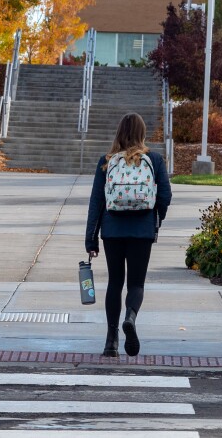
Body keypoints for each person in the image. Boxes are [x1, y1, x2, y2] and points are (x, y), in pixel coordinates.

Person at [85, 113, 172, 357]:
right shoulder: (153, 159)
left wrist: (90, 238)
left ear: (119, 133)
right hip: (141, 230)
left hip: (112, 230)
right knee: (136, 283)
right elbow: (165, 196)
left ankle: (111, 340)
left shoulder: (107, 161)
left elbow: (96, 202)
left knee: (115, 282)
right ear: (142, 133)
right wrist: (157, 219)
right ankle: (130, 318)